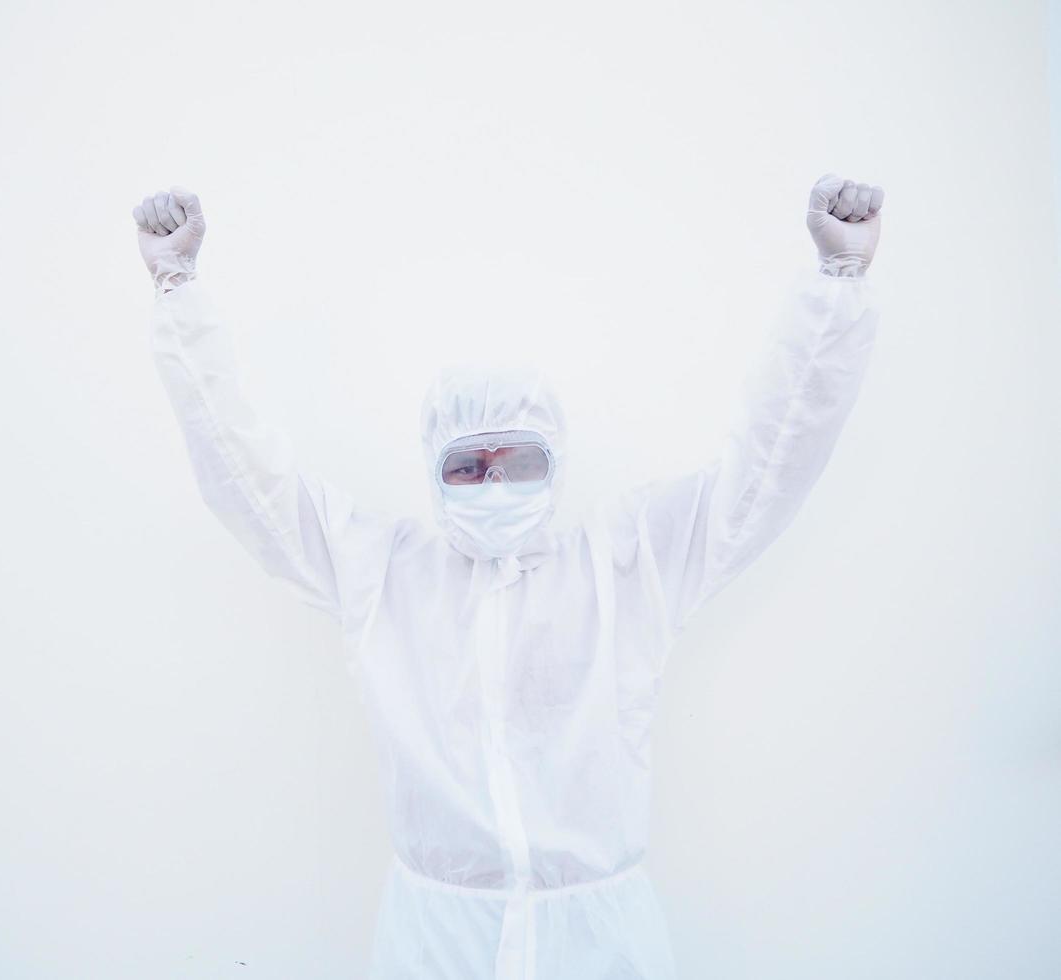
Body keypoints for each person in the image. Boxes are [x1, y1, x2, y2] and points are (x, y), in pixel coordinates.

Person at [132, 173, 884, 979]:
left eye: (517, 460)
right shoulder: (385, 573)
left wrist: (832, 293)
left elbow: (763, 472)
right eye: (469, 465)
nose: (494, 485)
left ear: (555, 463)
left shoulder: (625, 564)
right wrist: (179, 297)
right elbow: (250, 485)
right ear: (433, 469)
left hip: (602, 945)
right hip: (433, 944)